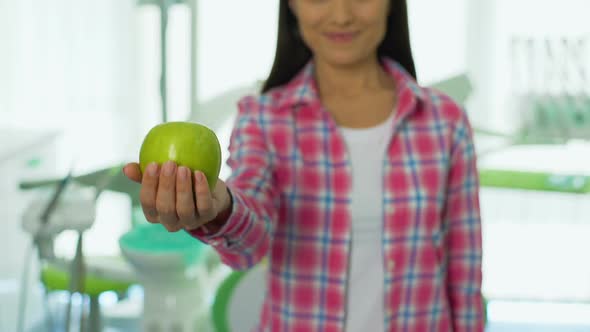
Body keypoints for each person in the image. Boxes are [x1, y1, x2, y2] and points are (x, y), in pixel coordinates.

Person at [123, 0, 484, 330]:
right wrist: (219, 208)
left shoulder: (445, 121)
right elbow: (249, 246)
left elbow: (464, 269)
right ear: (291, 6)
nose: (341, 15)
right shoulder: (263, 118)